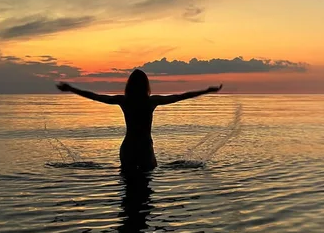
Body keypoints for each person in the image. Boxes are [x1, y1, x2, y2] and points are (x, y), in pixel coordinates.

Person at [56, 69, 222, 172]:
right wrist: (206, 91)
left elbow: (96, 97)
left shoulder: (124, 100)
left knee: (127, 189)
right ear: (146, 85)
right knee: (145, 190)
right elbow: (180, 96)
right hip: (144, 148)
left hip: (128, 148)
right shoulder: (150, 101)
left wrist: (71, 89)